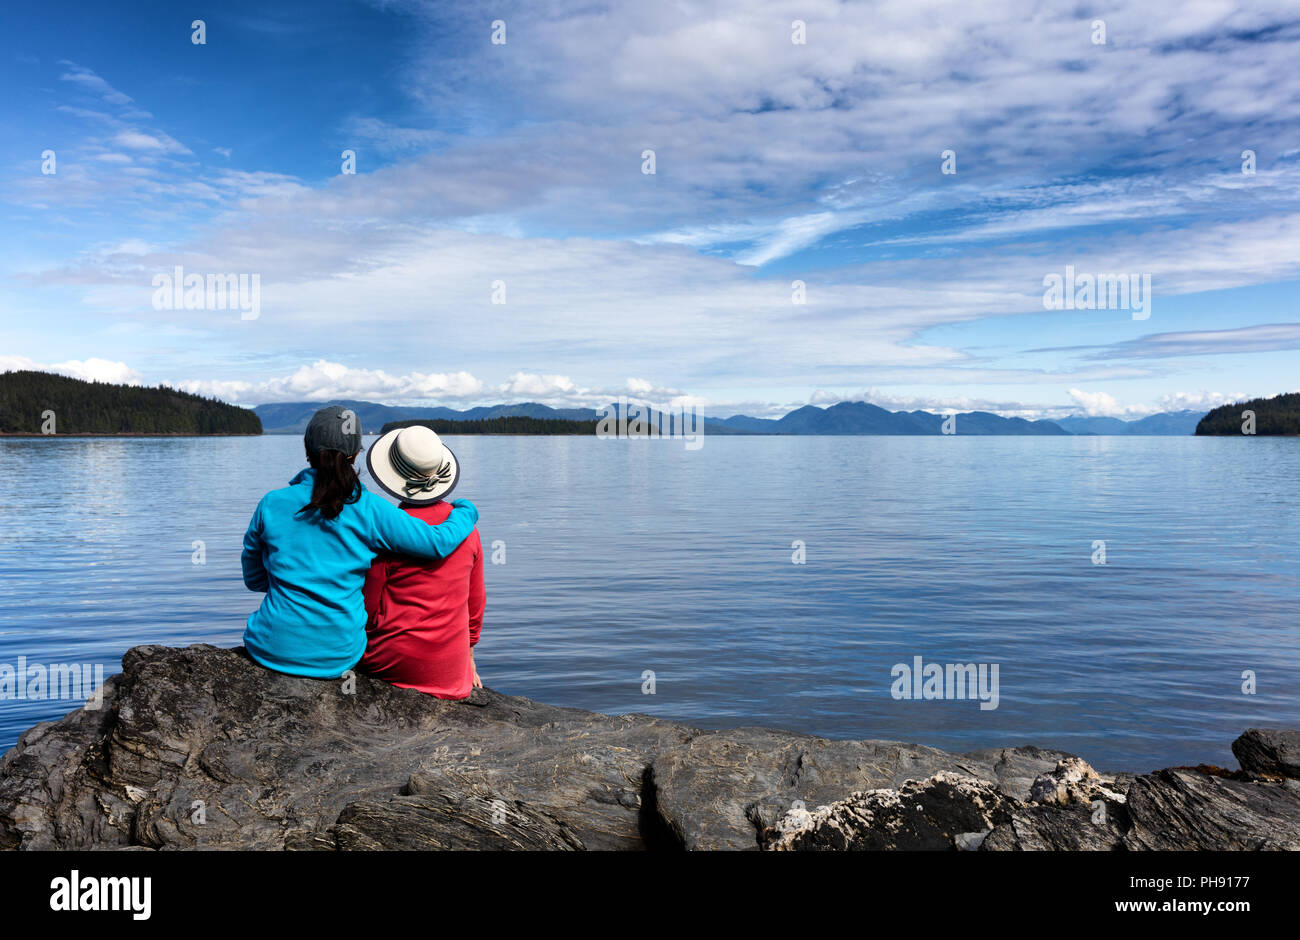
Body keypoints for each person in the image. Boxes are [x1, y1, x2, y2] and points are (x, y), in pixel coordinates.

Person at [240, 406, 479, 678]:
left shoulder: (271, 503)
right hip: (339, 656)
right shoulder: (370, 509)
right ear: (355, 455)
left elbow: (254, 579)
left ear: (307, 451)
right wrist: (465, 510)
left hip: (269, 648)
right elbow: (437, 543)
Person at [358, 424, 484, 700]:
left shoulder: (388, 531)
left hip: (392, 665)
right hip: (453, 675)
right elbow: (475, 604)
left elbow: (367, 608)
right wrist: (468, 660)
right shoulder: (467, 529)